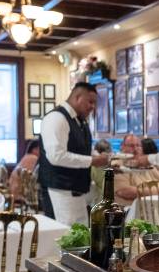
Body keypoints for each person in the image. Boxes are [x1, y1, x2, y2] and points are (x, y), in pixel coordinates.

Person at [38, 82, 109, 226]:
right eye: (90, 102)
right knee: (65, 236)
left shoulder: (80, 122)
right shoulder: (56, 118)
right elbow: (56, 156)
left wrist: (101, 159)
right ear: (78, 97)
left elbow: (80, 150)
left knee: (79, 235)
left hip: (78, 190)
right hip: (60, 190)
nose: (92, 107)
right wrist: (92, 161)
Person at [111, 134, 159, 206]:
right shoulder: (117, 165)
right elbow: (124, 191)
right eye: (131, 146)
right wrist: (156, 191)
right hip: (129, 211)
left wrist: (147, 192)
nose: (135, 149)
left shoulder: (146, 164)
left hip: (152, 208)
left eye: (138, 145)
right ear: (122, 147)